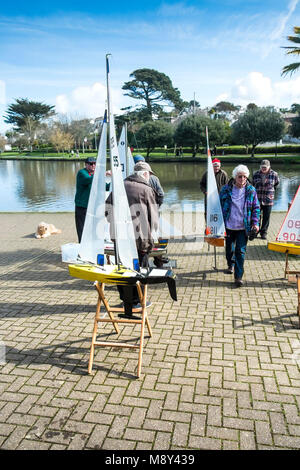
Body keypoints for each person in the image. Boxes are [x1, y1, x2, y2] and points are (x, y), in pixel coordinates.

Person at [105, 161, 159, 316]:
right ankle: (137, 301)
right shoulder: (147, 189)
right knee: (139, 268)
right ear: (146, 174)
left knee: (122, 267)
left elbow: (107, 209)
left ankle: (125, 299)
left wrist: (114, 224)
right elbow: (153, 218)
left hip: (120, 236)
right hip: (139, 237)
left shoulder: (120, 186)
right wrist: (152, 231)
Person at [219, 164, 260, 288]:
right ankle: (230, 264)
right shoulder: (225, 189)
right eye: (239, 176)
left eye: (244, 177)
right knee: (229, 250)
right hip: (229, 225)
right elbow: (218, 206)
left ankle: (238, 277)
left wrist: (255, 223)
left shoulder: (251, 190)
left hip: (243, 227)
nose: (242, 179)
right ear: (235, 177)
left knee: (240, 252)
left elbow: (256, 208)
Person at [133, 155, 166, 267]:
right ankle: (158, 261)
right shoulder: (154, 178)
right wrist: (156, 207)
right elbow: (161, 194)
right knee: (154, 237)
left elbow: (161, 194)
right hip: (152, 213)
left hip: (139, 215)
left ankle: (148, 261)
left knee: (144, 239)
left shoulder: (131, 178)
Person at [253, 159, 279, 239]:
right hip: (257, 199)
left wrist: (270, 191)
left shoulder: (274, 174)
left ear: (269, 167)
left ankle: (263, 232)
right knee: (257, 216)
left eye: (265, 167)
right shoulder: (256, 174)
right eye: (262, 167)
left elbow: (276, 184)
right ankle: (255, 232)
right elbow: (253, 185)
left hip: (268, 200)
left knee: (266, 217)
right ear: (260, 167)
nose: (263, 168)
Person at [74, 157, 96, 242]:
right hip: (82, 206)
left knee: (92, 228)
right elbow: (88, 180)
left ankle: (91, 247)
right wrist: (102, 173)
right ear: (86, 164)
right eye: (91, 164)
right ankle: (81, 247)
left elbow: (105, 186)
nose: (93, 165)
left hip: (92, 206)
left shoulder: (94, 174)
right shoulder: (82, 173)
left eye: (94, 163)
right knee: (82, 229)